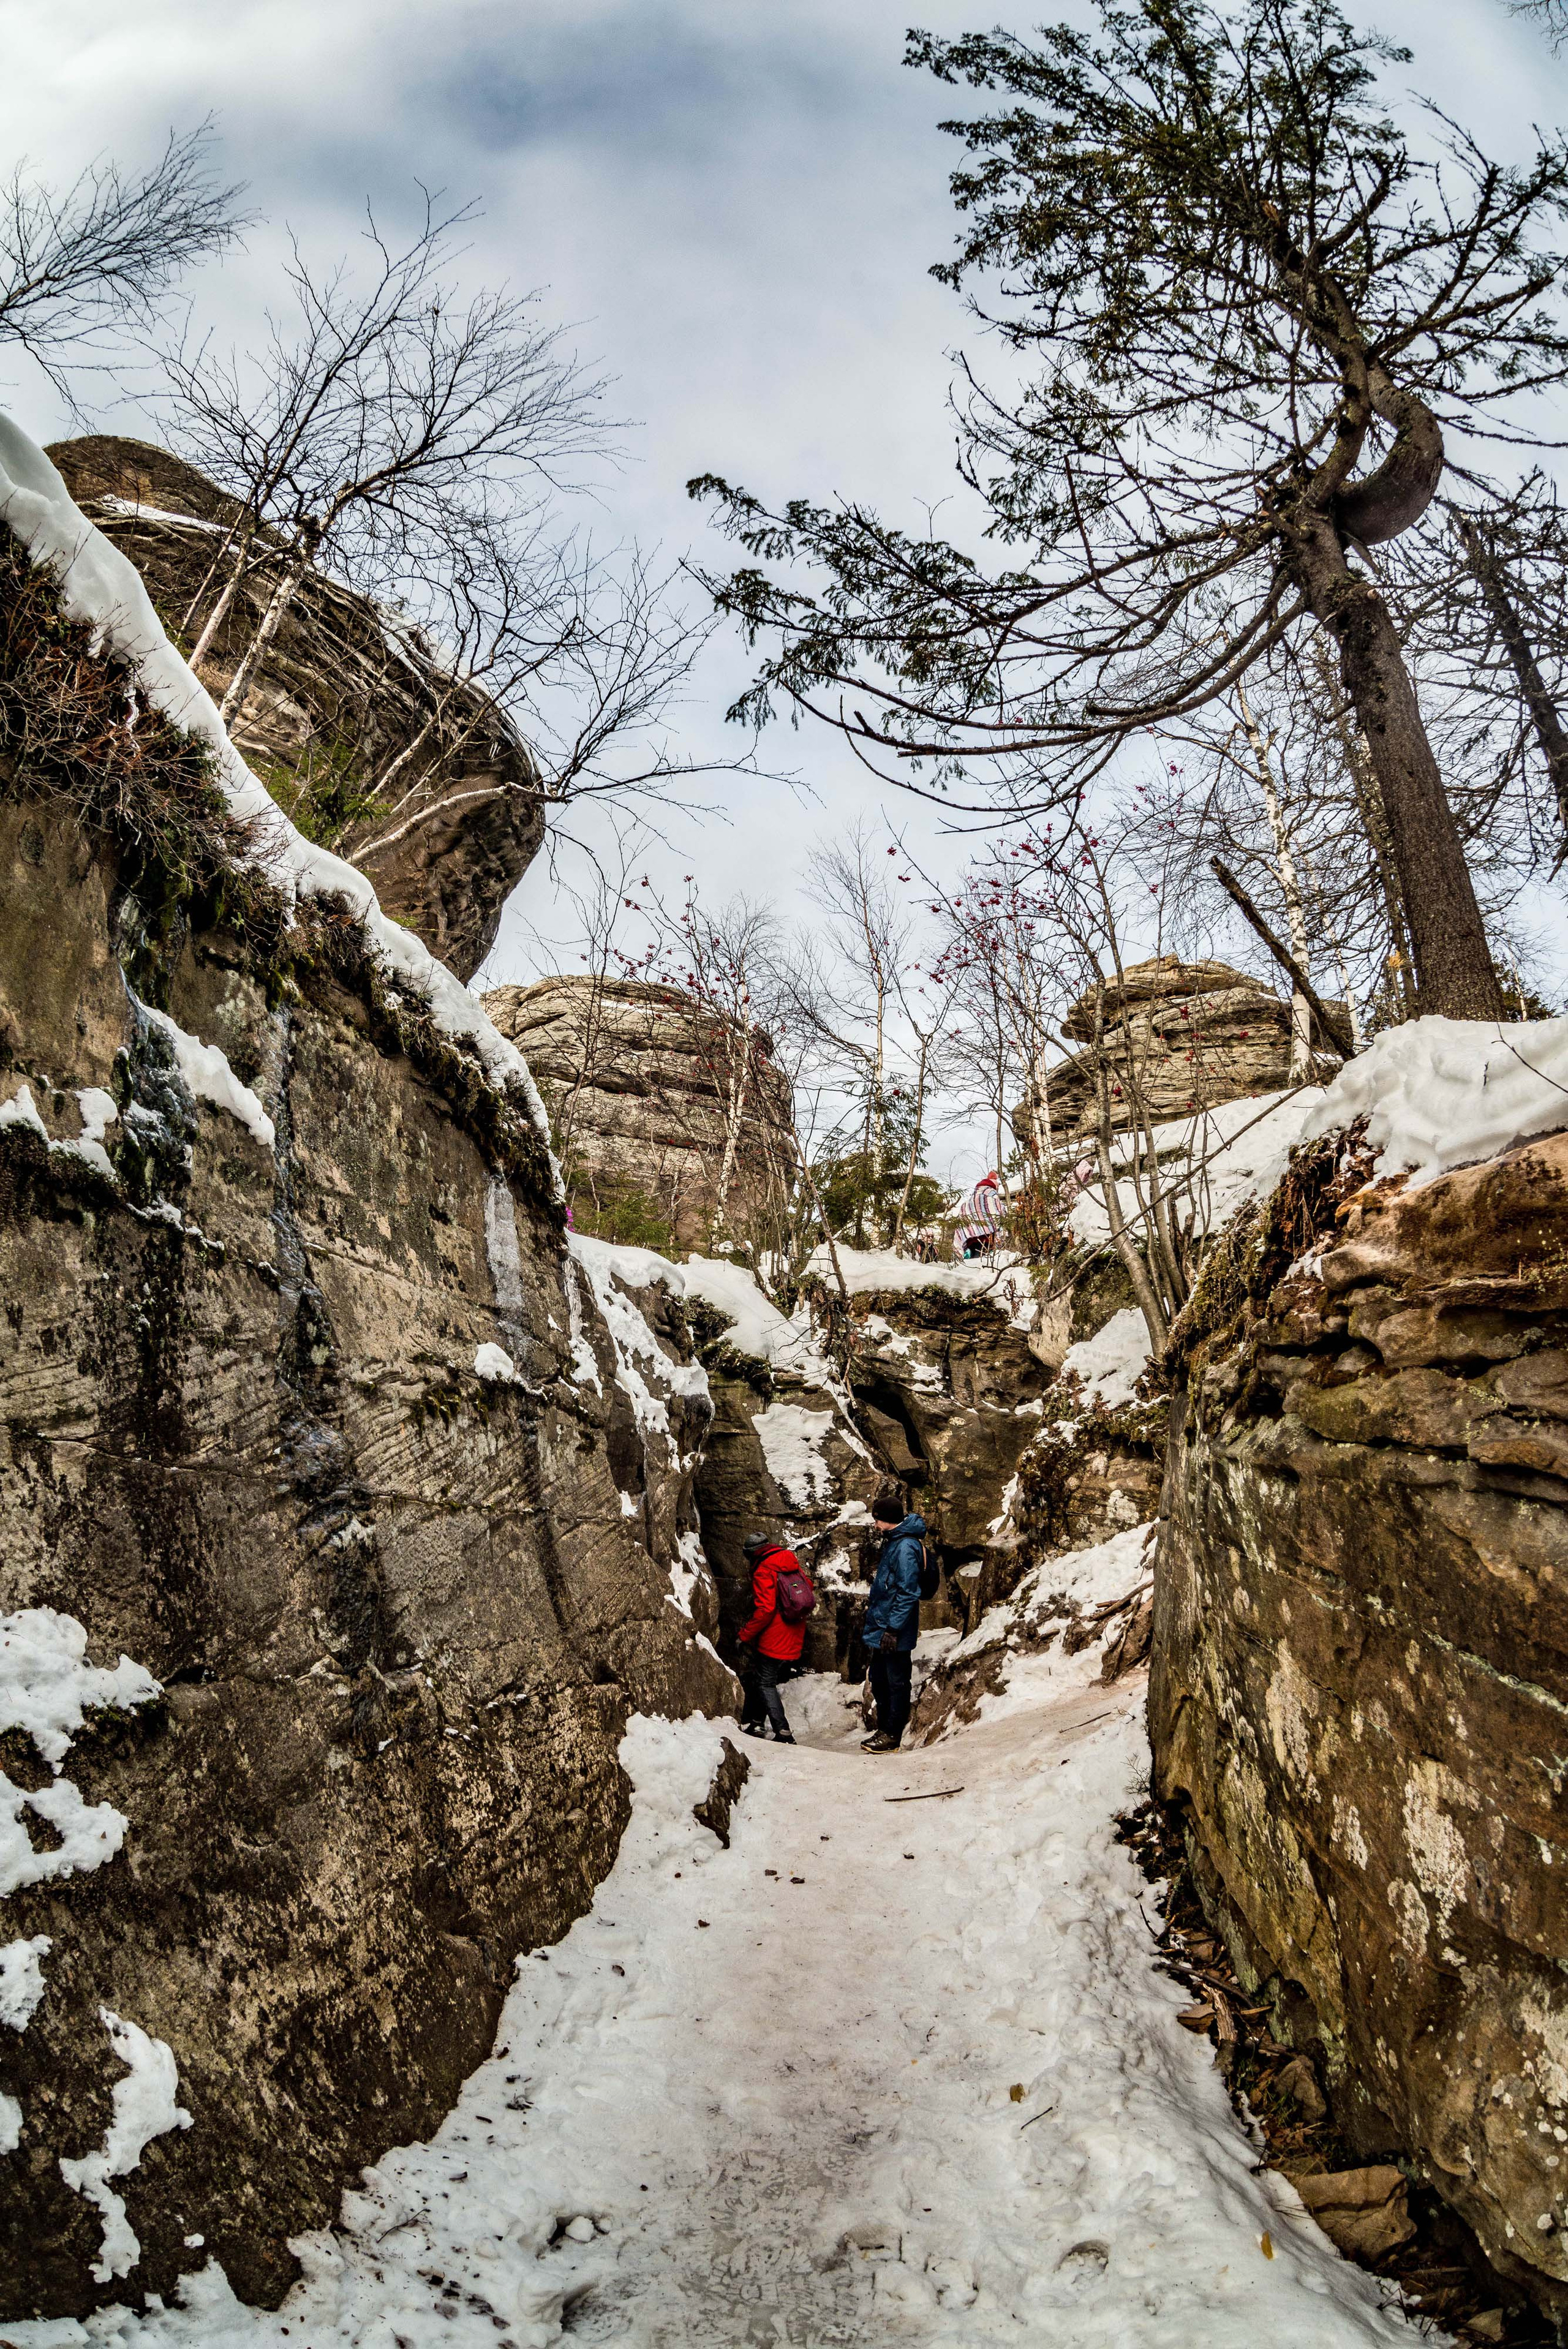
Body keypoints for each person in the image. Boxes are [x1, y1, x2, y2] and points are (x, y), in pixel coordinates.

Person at [861, 1480, 926, 1752]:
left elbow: (909, 1591)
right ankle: (885, 1727)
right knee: (879, 1677)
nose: (875, 1524)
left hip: (894, 1628)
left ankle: (891, 1734)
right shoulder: (895, 1541)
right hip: (884, 1625)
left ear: (887, 1520)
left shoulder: (905, 1547)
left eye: (877, 1519)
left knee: (897, 1681)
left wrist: (894, 1629)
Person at [734, 1530, 804, 1744]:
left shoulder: (764, 1569)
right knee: (762, 1677)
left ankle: (783, 1732)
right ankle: (756, 1723)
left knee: (766, 1682)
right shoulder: (788, 1561)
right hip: (794, 1629)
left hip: (775, 1634)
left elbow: (765, 1609)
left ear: (752, 1554)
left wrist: (745, 1636)